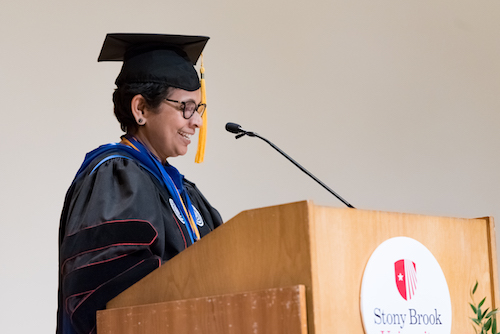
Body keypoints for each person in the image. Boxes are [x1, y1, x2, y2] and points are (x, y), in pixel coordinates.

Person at [56, 33, 223, 334]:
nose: (196, 121)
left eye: (199, 109)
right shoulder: (117, 178)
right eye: (185, 107)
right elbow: (106, 296)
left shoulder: (187, 194)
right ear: (141, 109)